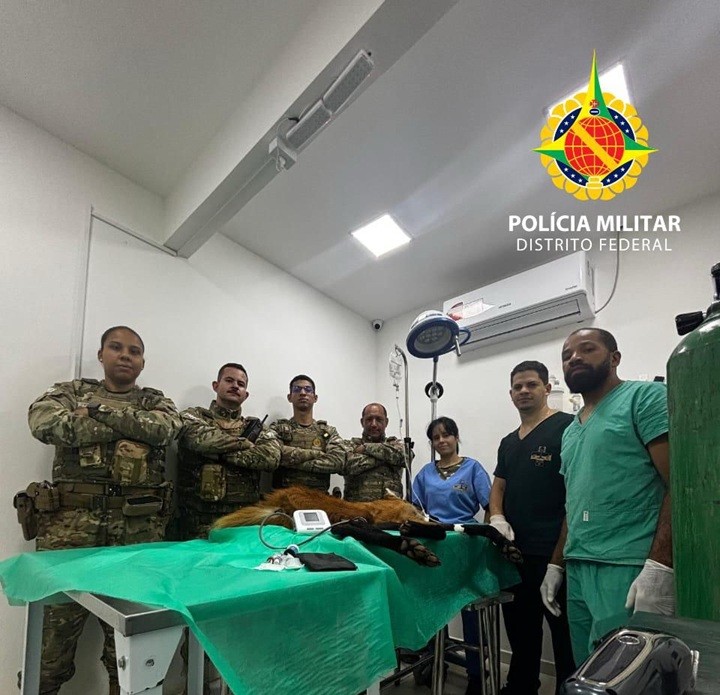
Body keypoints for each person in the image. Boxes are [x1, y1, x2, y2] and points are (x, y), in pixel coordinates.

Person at [26, 326, 181, 695]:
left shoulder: (154, 401)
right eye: (116, 347)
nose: (125, 355)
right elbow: (44, 423)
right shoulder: (69, 391)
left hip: (137, 536)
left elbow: (164, 430)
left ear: (142, 362)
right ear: (101, 355)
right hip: (69, 535)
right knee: (50, 650)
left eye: (134, 351)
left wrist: (94, 412)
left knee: (131, 651)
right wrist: (130, 424)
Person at [541, 328, 672, 665]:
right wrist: (556, 564)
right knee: (588, 673)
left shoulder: (645, 398)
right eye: (566, 355)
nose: (574, 358)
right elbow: (575, 503)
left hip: (628, 565)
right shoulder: (571, 431)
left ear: (615, 358)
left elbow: (681, 484)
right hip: (578, 566)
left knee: (626, 676)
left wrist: (660, 565)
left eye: (587, 349)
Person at [490, 361, 575, 695]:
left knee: (565, 636)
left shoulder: (568, 427)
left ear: (547, 388)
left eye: (531, 385)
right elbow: (498, 487)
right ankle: (521, 686)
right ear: (510, 394)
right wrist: (497, 517)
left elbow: (576, 492)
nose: (523, 391)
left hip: (555, 553)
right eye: (517, 387)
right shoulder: (509, 442)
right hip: (514, 555)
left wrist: (557, 563)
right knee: (521, 632)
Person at [412, 416, 492, 694]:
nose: (441, 440)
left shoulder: (473, 469)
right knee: (433, 606)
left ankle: (476, 673)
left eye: (446, 435)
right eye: (436, 437)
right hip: (435, 545)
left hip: (466, 546)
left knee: (469, 608)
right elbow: (415, 510)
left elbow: (491, 506)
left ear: (457, 437)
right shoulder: (425, 473)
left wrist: (488, 536)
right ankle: (433, 662)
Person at [177, 363, 281, 539]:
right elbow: (200, 439)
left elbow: (271, 458)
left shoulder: (257, 428)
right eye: (229, 380)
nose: (235, 386)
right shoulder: (193, 416)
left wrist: (214, 453)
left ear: (246, 394)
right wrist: (246, 445)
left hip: (243, 522)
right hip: (196, 522)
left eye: (241, 384)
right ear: (216, 385)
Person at [270, 374, 346, 492]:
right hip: (285, 498)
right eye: (297, 389)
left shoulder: (328, 432)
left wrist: (289, 461)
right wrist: (319, 454)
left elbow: (338, 462)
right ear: (289, 397)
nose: (303, 393)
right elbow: (272, 456)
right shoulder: (278, 429)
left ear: (315, 398)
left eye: (308, 389)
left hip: (319, 498)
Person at [344, 402, 407, 501]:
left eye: (379, 419)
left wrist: (366, 448)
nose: (374, 424)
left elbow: (406, 458)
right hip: (356, 508)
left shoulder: (395, 444)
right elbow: (348, 466)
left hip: (391, 507)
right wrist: (387, 457)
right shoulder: (351, 445)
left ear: (386, 422)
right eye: (369, 419)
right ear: (362, 422)